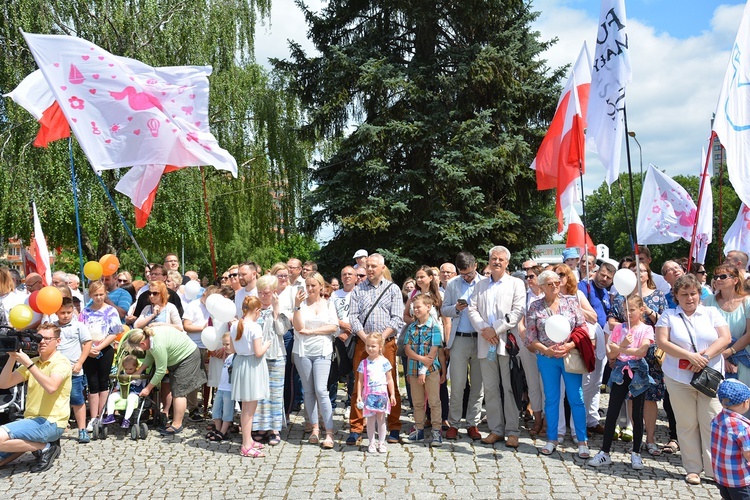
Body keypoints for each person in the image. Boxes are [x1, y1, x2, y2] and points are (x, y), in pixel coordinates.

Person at [655, 274, 732, 485]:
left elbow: (725, 338)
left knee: (712, 422)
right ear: (676, 296)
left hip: (709, 377)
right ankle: (692, 468)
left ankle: (714, 469)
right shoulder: (668, 315)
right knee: (687, 423)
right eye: (684, 294)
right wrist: (690, 356)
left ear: (699, 294)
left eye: (693, 293)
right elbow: (662, 342)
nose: (690, 298)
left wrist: (704, 357)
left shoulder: (711, 312)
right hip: (678, 378)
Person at [525, 269, 590, 458]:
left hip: (569, 356)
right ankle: (552, 438)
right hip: (546, 358)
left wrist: (569, 346)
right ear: (542, 286)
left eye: (557, 282)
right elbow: (530, 337)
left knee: (576, 398)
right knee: (552, 398)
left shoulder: (571, 302)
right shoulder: (535, 307)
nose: (555, 286)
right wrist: (546, 350)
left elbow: (582, 328)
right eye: (550, 284)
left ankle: (582, 440)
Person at [467, 245, 525, 448]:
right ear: (489, 261)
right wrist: (485, 329)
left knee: (509, 388)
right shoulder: (480, 286)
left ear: (507, 262)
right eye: (494, 258)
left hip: (506, 342)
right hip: (486, 343)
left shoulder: (516, 284)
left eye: (501, 259)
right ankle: (496, 429)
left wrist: (496, 329)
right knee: (490, 389)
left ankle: (512, 431)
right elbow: (471, 310)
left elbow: (518, 311)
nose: (497, 262)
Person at [588, 295, 654, 470]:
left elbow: (641, 352)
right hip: (620, 371)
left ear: (641, 310)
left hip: (638, 371)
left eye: (632, 309)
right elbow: (611, 354)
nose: (628, 313)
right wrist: (622, 345)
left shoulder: (646, 329)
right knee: (612, 411)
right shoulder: (619, 329)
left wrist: (620, 348)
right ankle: (605, 452)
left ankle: (636, 453)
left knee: (637, 414)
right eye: (625, 310)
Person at [346, 253, 405, 446]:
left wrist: (380, 340)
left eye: (373, 266)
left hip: (386, 343)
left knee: (390, 383)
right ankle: (356, 427)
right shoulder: (358, 290)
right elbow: (353, 317)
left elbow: (397, 318)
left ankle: (394, 426)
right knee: (359, 384)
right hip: (363, 342)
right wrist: (367, 339)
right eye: (368, 266)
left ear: (382, 267)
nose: (370, 269)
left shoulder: (393, 289)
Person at [0, 323, 71, 472]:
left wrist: (28, 363)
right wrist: (12, 357)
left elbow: (51, 387)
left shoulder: (61, 362)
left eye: (47, 338)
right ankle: (33, 444)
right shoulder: (34, 362)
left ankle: (45, 447)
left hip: (51, 422)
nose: (42, 342)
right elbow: (4, 383)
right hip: (30, 421)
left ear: (58, 341)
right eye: (39, 338)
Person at [128, 325, 207, 435]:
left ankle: (177, 424)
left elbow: (160, 370)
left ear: (142, 343)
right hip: (179, 358)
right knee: (177, 391)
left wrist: (147, 388)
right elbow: (150, 356)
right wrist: (139, 371)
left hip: (187, 357)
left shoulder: (157, 345)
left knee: (179, 392)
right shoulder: (149, 337)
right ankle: (175, 420)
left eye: (139, 349)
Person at [292, 272, 338, 448]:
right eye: (307, 285)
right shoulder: (300, 305)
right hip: (302, 351)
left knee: (321, 389)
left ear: (321, 286)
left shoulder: (328, 304)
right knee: (308, 391)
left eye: (313, 285)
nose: (310, 289)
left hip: (322, 350)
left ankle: (330, 431)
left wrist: (312, 331)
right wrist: (296, 307)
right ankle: (315, 429)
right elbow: (297, 326)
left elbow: (333, 326)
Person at [442, 251, 484, 441]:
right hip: (459, 339)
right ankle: (454, 423)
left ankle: (472, 423)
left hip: (480, 338)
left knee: (478, 384)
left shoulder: (484, 282)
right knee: (458, 384)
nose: (466, 277)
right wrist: (456, 309)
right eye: (462, 273)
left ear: (475, 265)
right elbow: (444, 309)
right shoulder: (453, 284)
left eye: (468, 273)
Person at [252, 275, 291, 446]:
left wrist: (276, 310)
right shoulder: (254, 309)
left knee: (275, 392)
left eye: (266, 292)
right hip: (258, 356)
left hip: (276, 355)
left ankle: (274, 428)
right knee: (259, 393)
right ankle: (261, 426)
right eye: (260, 292)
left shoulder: (283, 308)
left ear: (274, 292)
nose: (262, 296)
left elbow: (282, 330)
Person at [80, 280, 124, 431]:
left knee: (103, 381)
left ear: (105, 294)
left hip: (105, 349)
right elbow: (80, 332)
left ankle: (102, 413)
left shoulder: (111, 311)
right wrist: (88, 348)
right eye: (95, 295)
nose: (98, 297)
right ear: (90, 295)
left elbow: (115, 332)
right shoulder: (85, 312)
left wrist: (99, 347)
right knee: (92, 383)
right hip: (88, 349)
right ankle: (93, 417)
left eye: (101, 294)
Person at [231, 296, 271, 457]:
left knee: (247, 407)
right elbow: (258, 352)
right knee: (249, 409)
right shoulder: (254, 327)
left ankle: (248, 440)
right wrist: (267, 344)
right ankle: (246, 444)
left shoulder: (235, 325)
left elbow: (232, 349)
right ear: (256, 310)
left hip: (241, 363)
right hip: (252, 365)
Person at [403, 295, 443, 446]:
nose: (415, 309)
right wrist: (420, 361)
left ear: (428, 307)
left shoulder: (434, 327)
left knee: (434, 401)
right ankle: (418, 428)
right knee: (417, 402)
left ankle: (436, 430)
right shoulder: (412, 327)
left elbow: (432, 354)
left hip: (430, 371)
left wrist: (423, 370)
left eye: (418, 306)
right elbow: (407, 349)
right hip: (413, 370)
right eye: (414, 307)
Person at [704, 264, 750, 387]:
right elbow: (704, 331)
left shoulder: (747, 302)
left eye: (723, 276)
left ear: (735, 280)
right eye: (716, 276)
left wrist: (729, 352)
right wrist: (721, 357)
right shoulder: (708, 301)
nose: (717, 279)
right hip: (715, 357)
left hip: (743, 356)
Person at [54, 297, 92, 443]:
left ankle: (82, 429)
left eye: (68, 312)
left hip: (74, 370)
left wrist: (80, 362)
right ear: (56, 312)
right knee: (57, 400)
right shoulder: (53, 327)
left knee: (77, 399)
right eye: (62, 312)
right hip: (57, 370)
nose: (66, 315)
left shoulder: (78, 326)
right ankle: (58, 428)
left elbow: (87, 343)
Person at [357, 332, 397, 453]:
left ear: (380, 346)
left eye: (373, 346)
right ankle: (371, 442)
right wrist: (359, 395)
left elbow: (390, 379)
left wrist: (392, 394)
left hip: (381, 394)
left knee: (381, 419)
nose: (370, 348)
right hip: (368, 394)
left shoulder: (384, 362)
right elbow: (360, 381)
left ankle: (381, 442)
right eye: (368, 345)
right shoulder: (363, 363)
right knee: (370, 419)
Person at [711, 379, 750, 500]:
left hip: (722, 476)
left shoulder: (717, 419)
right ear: (745, 402)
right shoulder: (742, 428)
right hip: (740, 480)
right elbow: (748, 453)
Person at [101, 355, 146, 429]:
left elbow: (138, 383)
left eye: (131, 369)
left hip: (134, 392)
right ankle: (110, 415)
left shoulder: (139, 374)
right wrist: (117, 388)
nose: (128, 371)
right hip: (122, 391)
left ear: (136, 367)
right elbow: (119, 383)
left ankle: (126, 419)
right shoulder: (123, 374)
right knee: (111, 397)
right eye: (126, 369)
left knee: (130, 399)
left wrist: (130, 379)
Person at [207, 332, 234, 442]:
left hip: (229, 389)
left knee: (227, 412)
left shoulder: (235, 356)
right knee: (216, 410)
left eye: (227, 344)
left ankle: (223, 432)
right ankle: (218, 430)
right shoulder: (228, 357)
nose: (225, 347)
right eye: (224, 344)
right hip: (221, 387)